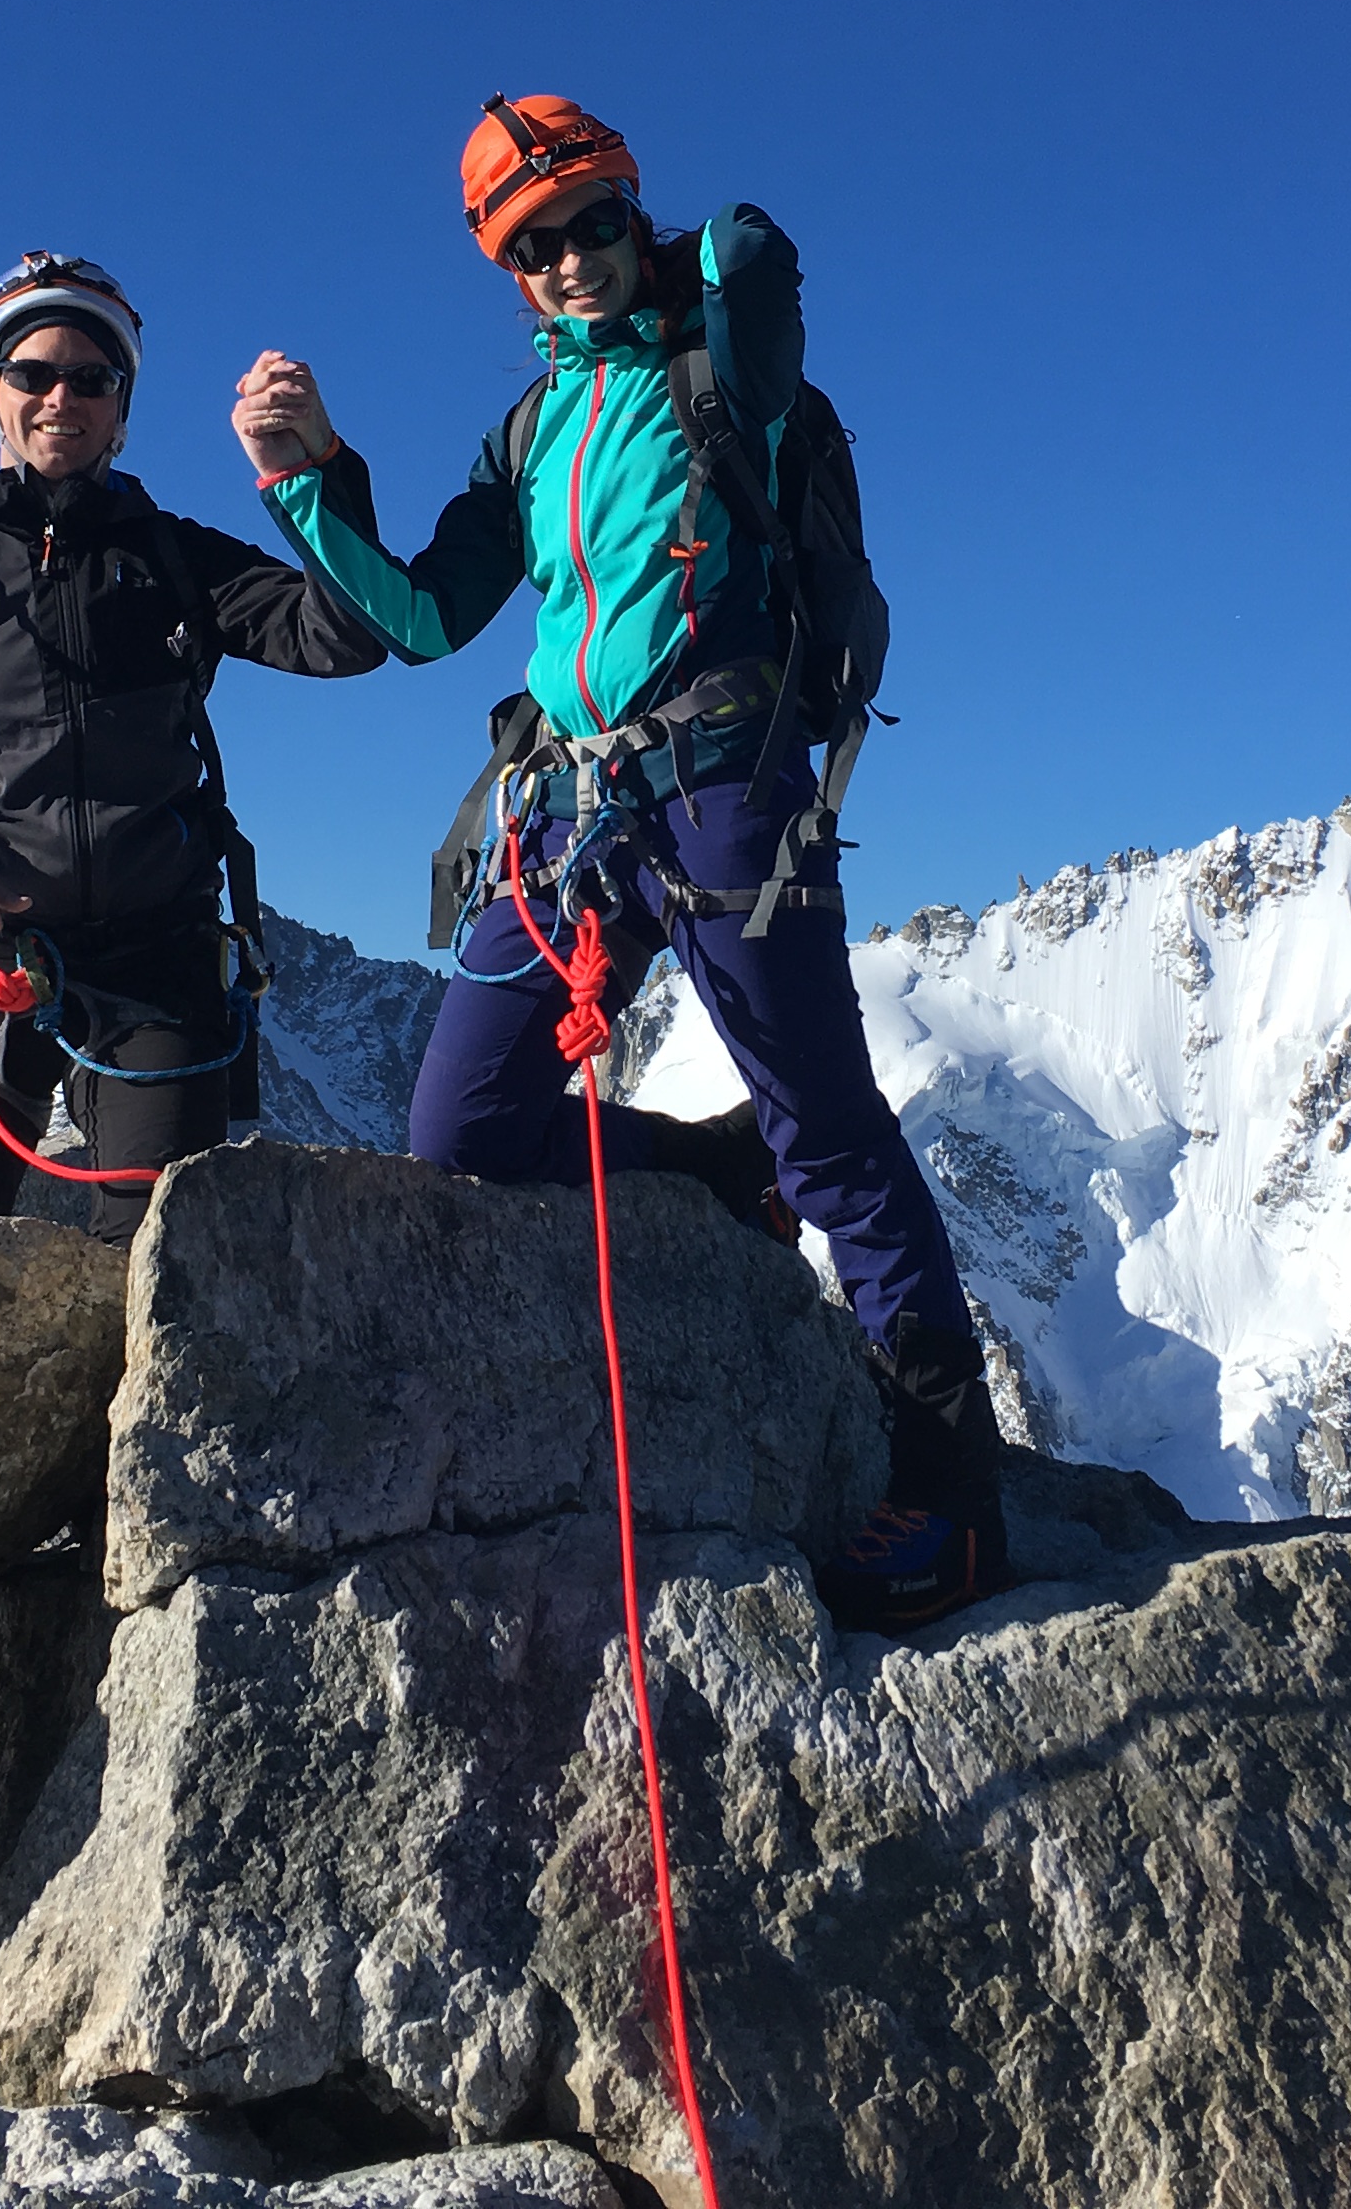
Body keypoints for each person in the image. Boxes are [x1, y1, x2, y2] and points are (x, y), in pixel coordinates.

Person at [231, 96, 1009, 1629]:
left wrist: (716, 252)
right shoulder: (534, 431)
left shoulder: (727, 361)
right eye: (537, 245)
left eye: (594, 223)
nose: (574, 261)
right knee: (462, 1132)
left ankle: (957, 1501)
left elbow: (763, 280)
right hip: (573, 817)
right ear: (507, 272)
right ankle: (720, 1169)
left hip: (726, 791)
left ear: (631, 208)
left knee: (833, 1135)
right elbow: (426, 615)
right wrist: (309, 478)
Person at [0, 252, 382, 1240]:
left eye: (93, 379)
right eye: (34, 374)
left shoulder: (180, 563)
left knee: (159, 1265)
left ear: (122, 406)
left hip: (159, 956)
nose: (63, 397)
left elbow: (347, 636)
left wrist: (314, 473)